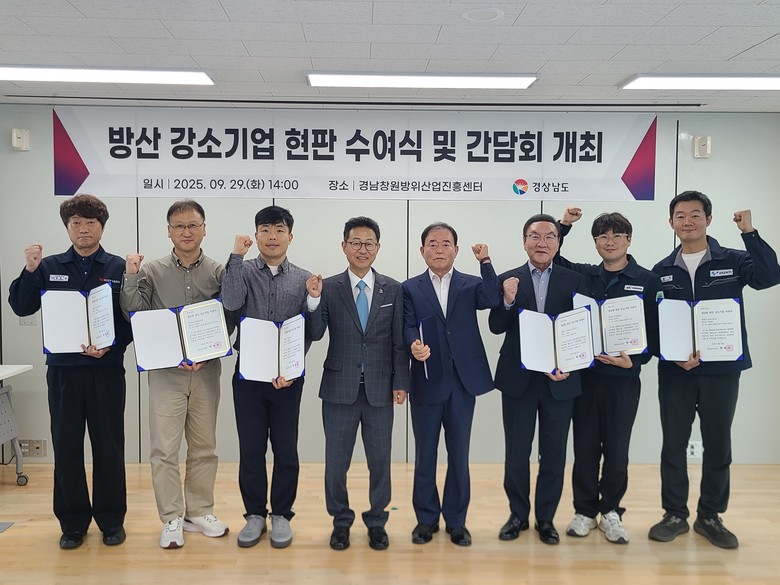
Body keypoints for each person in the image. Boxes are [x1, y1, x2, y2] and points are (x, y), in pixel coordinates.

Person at [648, 190, 780, 549]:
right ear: (671, 222)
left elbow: (769, 276)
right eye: (680, 215)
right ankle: (674, 514)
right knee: (673, 444)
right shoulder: (661, 271)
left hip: (722, 370)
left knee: (718, 444)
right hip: (676, 371)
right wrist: (667, 354)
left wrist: (749, 233)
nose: (687, 221)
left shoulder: (734, 259)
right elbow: (653, 324)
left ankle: (710, 516)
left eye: (695, 214)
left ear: (708, 219)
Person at [8, 194, 132, 549]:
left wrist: (113, 346)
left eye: (90, 222)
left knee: (109, 446)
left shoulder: (118, 268)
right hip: (63, 372)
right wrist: (29, 270)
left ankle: (111, 521)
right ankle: (73, 523)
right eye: (76, 223)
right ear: (67, 228)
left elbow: (131, 318)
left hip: (106, 370)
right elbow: (21, 306)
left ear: (101, 227)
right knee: (66, 447)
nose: (83, 229)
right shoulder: (47, 266)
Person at [120, 199, 229, 549]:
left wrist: (209, 352)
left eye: (193, 225)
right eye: (179, 226)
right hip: (166, 373)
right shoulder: (150, 271)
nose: (186, 231)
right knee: (164, 449)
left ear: (204, 229)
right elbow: (134, 314)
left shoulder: (218, 271)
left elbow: (228, 318)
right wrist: (131, 275)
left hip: (206, 372)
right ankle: (171, 518)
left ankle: (199, 511)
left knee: (204, 446)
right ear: (169, 231)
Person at [554, 208, 661, 544]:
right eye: (602, 236)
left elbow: (655, 331)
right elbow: (553, 256)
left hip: (624, 379)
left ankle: (611, 510)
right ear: (595, 242)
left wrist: (635, 362)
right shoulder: (584, 276)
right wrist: (564, 225)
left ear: (629, 240)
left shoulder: (648, 280)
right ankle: (584, 510)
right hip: (586, 378)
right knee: (585, 446)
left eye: (617, 235)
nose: (610, 241)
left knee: (617, 448)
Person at [221, 205, 320, 549]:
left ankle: (281, 514)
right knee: (251, 449)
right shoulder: (242, 270)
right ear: (256, 235)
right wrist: (236, 257)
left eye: (279, 230)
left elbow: (314, 331)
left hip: (288, 379)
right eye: (265, 230)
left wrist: (313, 300)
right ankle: (254, 515)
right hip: (249, 375)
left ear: (290, 236)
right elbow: (231, 303)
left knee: (285, 449)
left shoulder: (304, 278)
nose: (272, 236)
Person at [307, 216, 408, 551]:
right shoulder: (329, 286)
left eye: (369, 244)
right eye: (356, 243)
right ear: (344, 246)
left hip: (380, 389)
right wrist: (312, 301)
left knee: (380, 463)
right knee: (336, 464)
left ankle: (377, 521)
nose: (362, 249)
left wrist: (401, 382)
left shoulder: (393, 289)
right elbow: (316, 333)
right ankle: (341, 521)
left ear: (377, 248)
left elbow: (398, 342)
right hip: (339, 389)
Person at [489, 213, 586, 546]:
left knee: (554, 454)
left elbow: (582, 328)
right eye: (534, 236)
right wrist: (507, 300)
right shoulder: (508, 279)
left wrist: (570, 363)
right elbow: (496, 326)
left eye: (549, 237)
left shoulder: (575, 280)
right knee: (517, 452)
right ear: (524, 241)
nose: (542, 242)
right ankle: (517, 515)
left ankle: (546, 519)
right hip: (519, 381)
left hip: (561, 380)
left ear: (558, 242)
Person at [402, 222, 501, 547]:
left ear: (456, 250)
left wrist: (485, 262)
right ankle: (426, 520)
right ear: (422, 250)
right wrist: (414, 343)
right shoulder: (410, 287)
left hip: (462, 382)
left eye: (446, 244)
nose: (439, 249)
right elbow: (406, 325)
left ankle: (457, 522)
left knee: (459, 454)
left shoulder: (471, 283)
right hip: (427, 379)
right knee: (425, 454)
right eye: (432, 243)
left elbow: (492, 298)